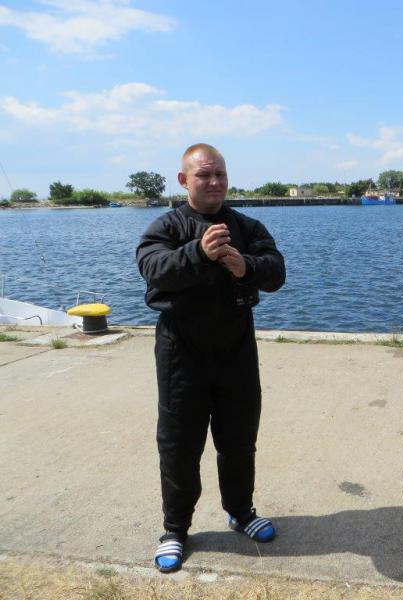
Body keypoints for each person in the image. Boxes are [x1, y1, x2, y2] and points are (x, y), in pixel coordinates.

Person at [136, 143, 286, 573]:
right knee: (179, 445)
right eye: (204, 175)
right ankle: (175, 529)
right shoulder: (164, 227)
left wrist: (246, 267)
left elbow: (276, 269)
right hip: (181, 352)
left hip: (236, 350)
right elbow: (153, 269)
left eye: (220, 174)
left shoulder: (247, 225)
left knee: (239, 439)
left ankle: (241, 512)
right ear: (184, 180)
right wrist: (199, 253)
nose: (215, 182)